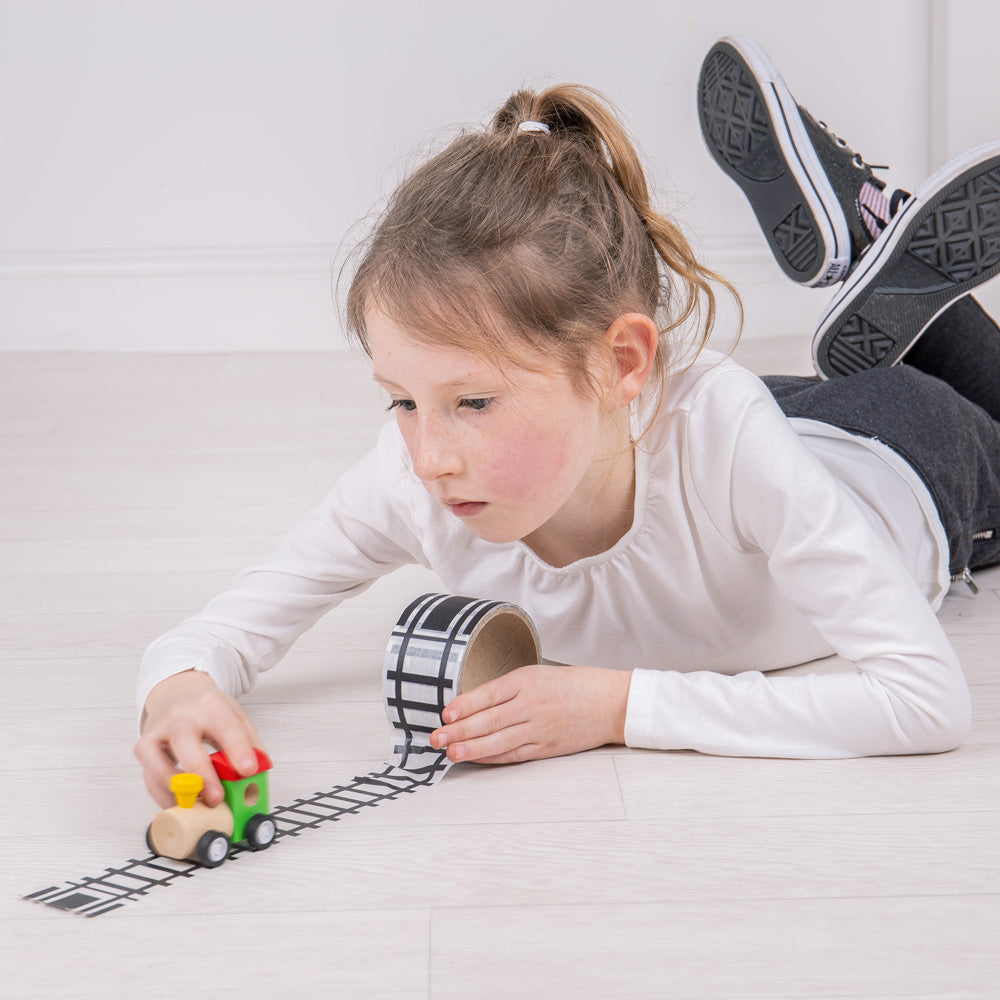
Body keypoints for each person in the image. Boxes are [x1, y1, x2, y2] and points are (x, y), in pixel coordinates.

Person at [135, 36, 1000, 810]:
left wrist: (619, 705)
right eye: (402, 400)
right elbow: (226, 626)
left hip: (895, 454)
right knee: (714, 412)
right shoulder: (420, 476)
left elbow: (923, 700)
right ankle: (869, 239)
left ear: (624, 362)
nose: (428, 458)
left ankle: (866, 231)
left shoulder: (721, 430)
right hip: (672, 433)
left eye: (472, 402)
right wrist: (179, 689)